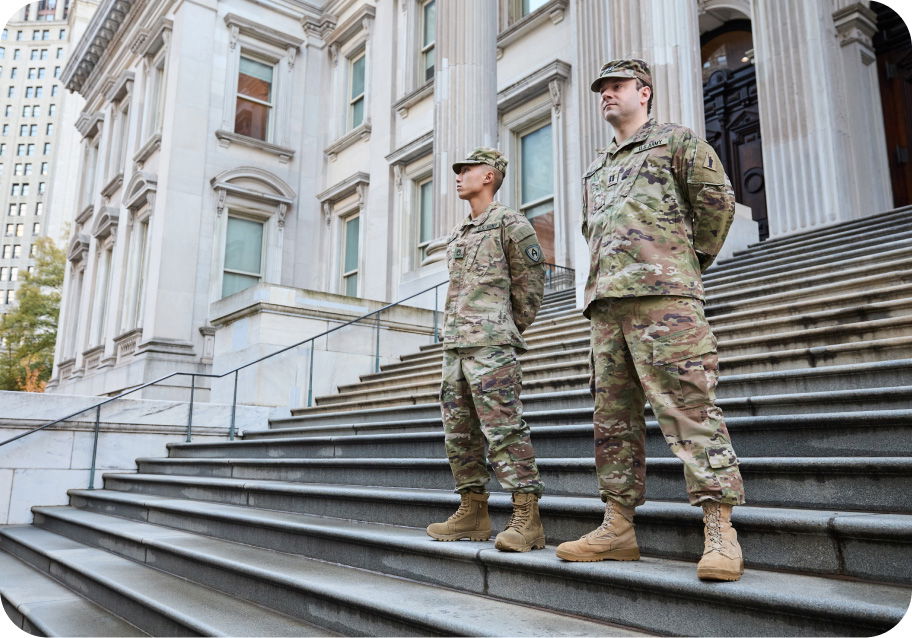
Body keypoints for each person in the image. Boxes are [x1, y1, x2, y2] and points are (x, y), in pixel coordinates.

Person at [554, 59, 746, 581]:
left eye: (616, 86)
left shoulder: (678, 142)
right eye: (602, 89)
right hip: (607, 307)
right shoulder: (596, 167)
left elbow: (717, 204)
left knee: (689, 406)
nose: (606, 95)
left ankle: (719, 528)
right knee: (612, 422)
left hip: (665, 301)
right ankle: (617, 526)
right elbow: (592, 230)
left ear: (645, 92)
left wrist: (683, 264)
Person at [426, 147, 547, 552]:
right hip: (455, 346)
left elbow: (530, 286)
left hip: (491, 345)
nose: (458, 176)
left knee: (503, 428)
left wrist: (505, 327)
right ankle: (473, 511)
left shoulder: (511, 224)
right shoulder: (461, 232)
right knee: (458, 432)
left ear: (490, 176)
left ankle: (527, 516)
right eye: (457, 170)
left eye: (467, 170)